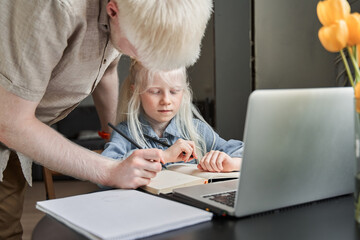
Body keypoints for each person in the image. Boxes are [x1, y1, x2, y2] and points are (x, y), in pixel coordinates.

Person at [0, 0, 213, 238]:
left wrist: (112, 138)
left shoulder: (126, 16)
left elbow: (107, 71)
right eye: (139, 53)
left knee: (8, 228)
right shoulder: (56, 7)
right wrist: (109, 170)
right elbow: (11, 123)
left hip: (18, 136)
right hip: (11, 123)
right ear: (113, 11)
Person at [101, 60, 243, 180]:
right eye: (155, 92)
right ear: (135, 92)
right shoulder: (124, 133)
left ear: (184, 91)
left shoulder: (197, 130)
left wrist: (231, 164)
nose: (166, 100)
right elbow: (104, 173)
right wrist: (163, 156)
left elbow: (249, 156)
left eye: (174, 91)